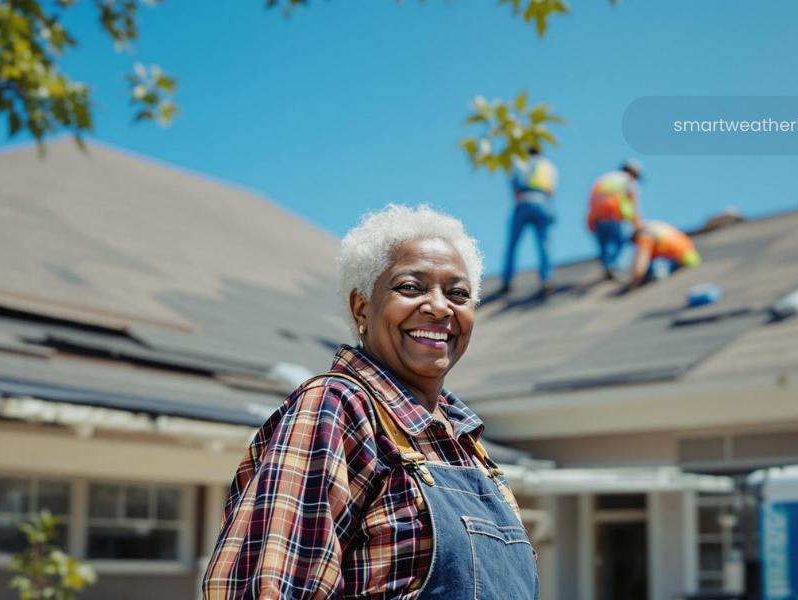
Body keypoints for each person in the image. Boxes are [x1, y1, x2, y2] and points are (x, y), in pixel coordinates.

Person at [202, 204, 538, 599]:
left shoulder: (468, 447)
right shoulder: (335, 409)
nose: (439, 306)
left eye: (458, 293)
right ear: (362, 307)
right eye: (411, 287)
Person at [500, 146, 558, 296]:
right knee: (544, 243)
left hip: (524, 202)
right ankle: (546, 279)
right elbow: (551, 190)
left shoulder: (520, 162)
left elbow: (515, 186)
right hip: (543, 202)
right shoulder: (549, 166)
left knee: (513, 243)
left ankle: (507, 280)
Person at [586, 159, 643, 279]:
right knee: (620, 241)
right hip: (611, 211)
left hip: (595, 215)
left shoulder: (604, 178)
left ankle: (607, 267)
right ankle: (612, 266)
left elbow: (591, 198)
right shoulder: (627, 180)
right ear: (633, 172)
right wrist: (638, 226)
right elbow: (632, 204)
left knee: (604, 245)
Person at [628, 220, 701, 290]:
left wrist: (635, 282)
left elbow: (641, 262)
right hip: (690, 253)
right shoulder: (653, 227)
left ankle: (659, 274)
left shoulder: (644, 236)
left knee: (655, 266)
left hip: (677, 258)